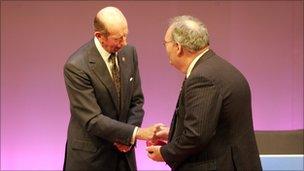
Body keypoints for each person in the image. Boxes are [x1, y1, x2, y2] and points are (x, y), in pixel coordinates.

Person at [146, 15, 262, 170]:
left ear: (178, 47)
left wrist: (166, 153)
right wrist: (173, 133)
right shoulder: (220, 68)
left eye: (165, 43)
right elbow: (214, 126)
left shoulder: (202, 78)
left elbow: (196, 136)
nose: (165, 48)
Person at [63, 6, 161, 171]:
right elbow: (93, 119)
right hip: (91, 158)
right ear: (99, 36)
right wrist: (135, 133)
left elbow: (136, 100)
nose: (124, 43)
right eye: (118, 38)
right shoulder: (76, 66)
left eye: (125, 35)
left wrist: (126, 139)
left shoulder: (129, 53)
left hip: (123, 156)